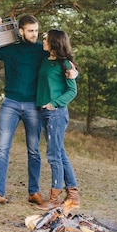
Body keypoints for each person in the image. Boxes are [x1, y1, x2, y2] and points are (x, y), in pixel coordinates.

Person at [0, 15, 48, 208]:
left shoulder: (42, 50)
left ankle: (34, 192)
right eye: (31, 31)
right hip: (11, 103)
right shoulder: (10, 50)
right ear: (21, 31)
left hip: (34, 105)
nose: (35, 34)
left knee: (34, 151)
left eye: (36, 30)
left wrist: (73, 71)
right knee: (2, 149)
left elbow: (62, 58)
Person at [35, 29, 80, 210]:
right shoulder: (45, 60)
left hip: (56, 113)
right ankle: (73, 196)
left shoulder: (65, 64)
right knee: (59, 153)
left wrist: (54, 103)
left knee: (54, 156)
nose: (43, 41)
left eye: (46, 39)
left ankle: (54, 198)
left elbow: (72, 90)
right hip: (44, 112)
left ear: (54, 42)